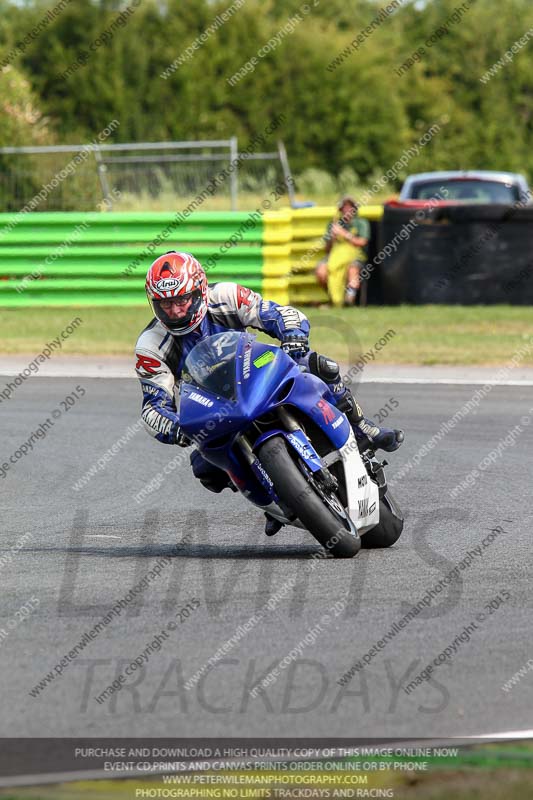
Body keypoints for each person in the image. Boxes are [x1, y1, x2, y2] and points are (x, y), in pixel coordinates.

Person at [135, 251, 403, 535]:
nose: (174, 311)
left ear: (199, 290)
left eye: (181, 300)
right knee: (205, 469)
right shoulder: (151, 345)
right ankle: (274, 494)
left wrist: (293, 334)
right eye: (165, 304)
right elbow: (153, 406)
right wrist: (175, 427)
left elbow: (277, 313)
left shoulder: (226, 296)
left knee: (319, 365)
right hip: (211, 405)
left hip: (255, 372)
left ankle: (363, 428)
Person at [316, 196, 370, 306]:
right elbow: (327, 250)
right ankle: (333, 299)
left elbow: (362, 242)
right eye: (344, 207)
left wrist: (345, 234)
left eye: (349, 207)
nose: (347, 210)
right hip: (335, 256)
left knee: (352, 270)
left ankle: (349, 300)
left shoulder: (361, 223)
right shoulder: (334, 224)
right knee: (321, 271)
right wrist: (332, 238)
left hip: (356, 255)